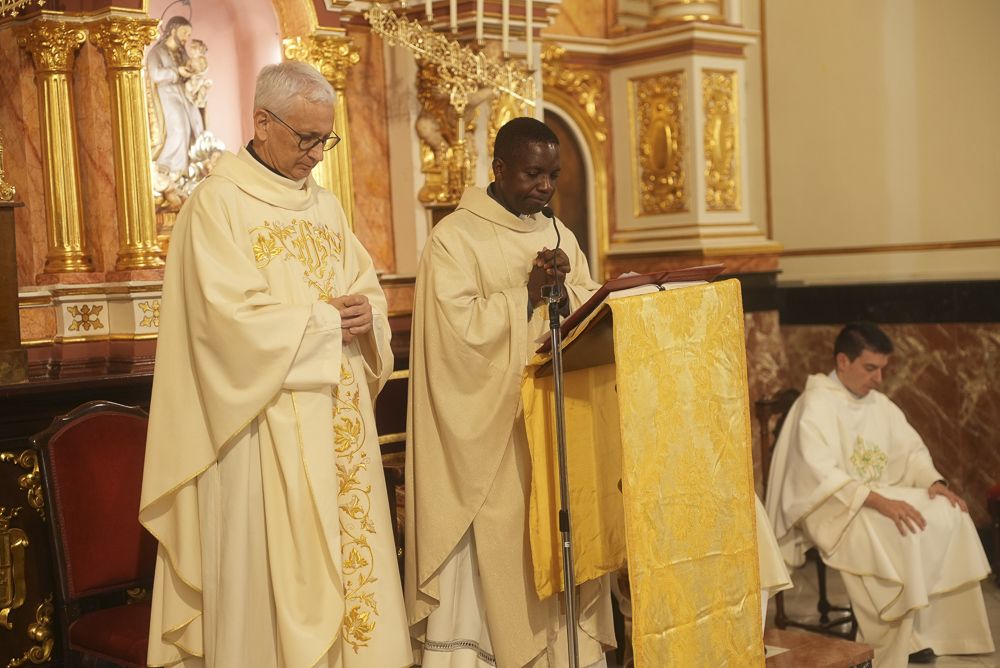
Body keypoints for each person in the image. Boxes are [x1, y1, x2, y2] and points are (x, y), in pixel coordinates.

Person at [140, 61, 410, 668]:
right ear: (262, 122)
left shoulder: (325, 208)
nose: (316, 154)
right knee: (269, 584)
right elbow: (222, 324)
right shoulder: (216, 206)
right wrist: (320, 322)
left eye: (325, 139)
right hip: (259, 431)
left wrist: (367, 315)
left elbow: (364, 287)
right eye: (306, 138)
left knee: (353, 571)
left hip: (336, 425)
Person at [405, 117, 615, 667]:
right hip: (489, 447)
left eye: (552, 175)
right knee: (499, 556)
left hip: (552, 433)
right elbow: (452, 340)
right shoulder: (454, 238)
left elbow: (584, 313)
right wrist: (523, 299)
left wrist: (568, 293)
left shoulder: (557, 232)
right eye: (532, 174)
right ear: (498, 168)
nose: (544, 187)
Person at [765, 322, 994, 667]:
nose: (879, 379)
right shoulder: (817, 403)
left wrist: (935, 483)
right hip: (834, 505)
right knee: (902, 528)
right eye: (870, 368)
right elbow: (818, 473)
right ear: (842, 361)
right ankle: (896, 643)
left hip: (872, 495)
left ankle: (939, 632)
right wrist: (877, 501)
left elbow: (912, 452)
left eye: (884, 369)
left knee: (950, 513)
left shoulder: (879, 404)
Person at [146, 16, 206, 177]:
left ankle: (189, 170)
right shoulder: (156, 52)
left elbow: (190, 70)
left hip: (184, 94)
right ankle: (171, 170)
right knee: (180, 129)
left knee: (197, 126)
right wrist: (176, 72)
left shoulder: (182, 54)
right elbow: (155, 74)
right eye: (184, 32)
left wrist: (196, 73)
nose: (187, 38)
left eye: (188, 34)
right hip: (167, 95)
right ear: (172, 30)